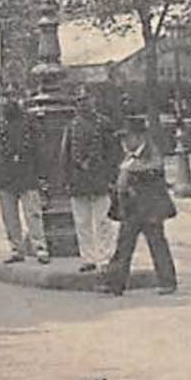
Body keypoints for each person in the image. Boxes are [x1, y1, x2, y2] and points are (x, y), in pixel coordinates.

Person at [100, 115, 178, 296]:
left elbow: (151, 168)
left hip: (150, 210)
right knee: (123, 246)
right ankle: (115, 284)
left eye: (128, 137)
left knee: (157, 245)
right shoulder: (129, 155)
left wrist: (128, 170)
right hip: (132, 209)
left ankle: (168, 282)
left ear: (139, 137)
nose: (124, 142)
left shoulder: (150, 152)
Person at [60, 91, 122, 273]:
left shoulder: (104, 124)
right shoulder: (70, 127)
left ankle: (104, 257)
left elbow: (113, 153)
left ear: (94, 101)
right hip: (78, 180)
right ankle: (87, 257)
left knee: (103, 220)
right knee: (82, 222)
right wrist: (66, 179)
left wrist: (112, 177)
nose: (84, 104)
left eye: (87, 100)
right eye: (80, 101)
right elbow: (65, 155)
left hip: (100, 179)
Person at [0, 96, 48, 264]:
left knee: (33, 213)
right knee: (10, 216)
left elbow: (38, 148)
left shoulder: (29, 122)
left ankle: (40, 248)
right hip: (6, 175)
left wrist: (41, 173)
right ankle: (17, 249)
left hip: (26, 173)